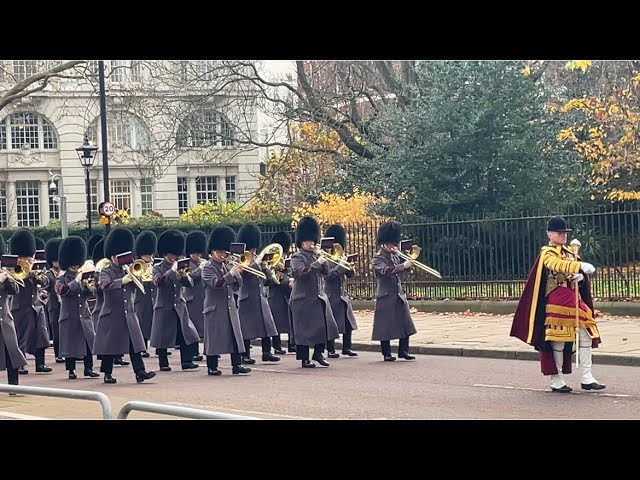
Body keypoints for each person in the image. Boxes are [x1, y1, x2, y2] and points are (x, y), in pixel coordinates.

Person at [510, 215, 604, 393]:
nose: (563, 236)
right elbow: (556, 264)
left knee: (587, 333)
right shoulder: (548, 253)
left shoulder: (570, 252)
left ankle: (587, 377)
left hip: (573, 299)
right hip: (556, 301)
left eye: (565, 233)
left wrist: (581, 277)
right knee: (558, 341)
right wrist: (578, 267)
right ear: (550, 234)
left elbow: (575, 274)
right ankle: (556, 378)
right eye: (559, 233)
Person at [94, 227, 156, 384]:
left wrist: (134, 276)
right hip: (112, 314)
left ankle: (140, 372)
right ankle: (107, 373)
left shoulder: (128, 270)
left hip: (128, 314)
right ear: (113, 257)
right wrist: (122, 281)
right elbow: (104, 286)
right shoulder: (105, 271)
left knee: (134, 345)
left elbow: (139, 288)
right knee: (110, 347)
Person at [290, 216, 340, 368]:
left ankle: (319, 353)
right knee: (304, 330)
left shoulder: (315, 255)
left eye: (312, 240)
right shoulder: (296, 257)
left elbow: (326, 273)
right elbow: (299, 273)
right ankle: (305, 358)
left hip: (318, 296)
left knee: (324, 327)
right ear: (301, 241)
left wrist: (323, 261)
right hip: (302, 298)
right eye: (308, 241)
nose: (311, 243)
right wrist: (317, 263)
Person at [201, 225, 251, 376]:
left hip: (229, 306)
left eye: (224, 252)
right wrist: (231, 273)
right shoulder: (207, 268)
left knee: (235, 336)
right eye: (220, 252)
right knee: (214, 339)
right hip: (214, 307)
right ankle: (212, 366)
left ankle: (237, 364)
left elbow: (237, 286)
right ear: (212, 252)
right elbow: (216, 284)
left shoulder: (225, 266)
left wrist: (237, 274)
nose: (223, 255)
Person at [150, 229, 200, 372]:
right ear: (165, 254)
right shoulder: (157, 267)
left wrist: (183, 275)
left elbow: (188, 284)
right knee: (163, 337)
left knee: (186, 334)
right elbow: (158, 282)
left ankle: (187, 361)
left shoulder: (181, 266)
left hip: (179, 304)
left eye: (175, 254)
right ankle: (164, 363)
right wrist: (172, 271)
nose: (174, 257)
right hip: (164, 305)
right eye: (172, 254)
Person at [371, 221, 417, 362]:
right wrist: (403, 265)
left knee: (405, 323)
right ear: (384, 243)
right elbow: (386, 271)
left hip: (398, 293)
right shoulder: (377, 258)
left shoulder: (396, 255)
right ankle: (386, 353)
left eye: (394, 244)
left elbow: (400, 272)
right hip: (385, 295)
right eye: (391, 244)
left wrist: (408, 266)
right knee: (385, 326)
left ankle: (403, 351)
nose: (393, 247)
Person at [55, 236, 99, 380]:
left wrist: (88, 286)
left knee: (87, 343)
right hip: (69, 315)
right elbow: (63, 291)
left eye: (77, 263)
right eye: (72, 264)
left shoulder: (84, 276)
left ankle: (89, 368)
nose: (75, 266)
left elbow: (92, 293)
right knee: (71, 345)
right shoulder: (61, 279)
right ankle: (71, 370)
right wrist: (76, 281)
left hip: (84, 314)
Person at [9, 228, 51, 374]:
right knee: (22, 336)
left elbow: (45, 281)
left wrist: (38, 275)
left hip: (37, 305)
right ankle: (21, 363)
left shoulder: (35, 265)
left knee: (41, 335)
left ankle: (41, 363)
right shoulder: (14, 266)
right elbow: (16, 280)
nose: (27, 259)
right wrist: (27, 273)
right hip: (20, 305)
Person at [236, 223, 280, 364]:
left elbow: (266, 280)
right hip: (247, 297)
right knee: (246, 328)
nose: (254, 250)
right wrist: (257, 262)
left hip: (260, 296)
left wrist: (266, 268)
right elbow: (242, 274)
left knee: (267, 325)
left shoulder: (256, 259)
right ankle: (245, 355)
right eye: (252, 248)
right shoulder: (241, 257)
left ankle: (266, 352)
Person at [324, 224, 358, 357]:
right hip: (331, 294)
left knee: (347, 322)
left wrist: (349, 267)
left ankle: (347, 347)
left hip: (342, 294)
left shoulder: (341, 256)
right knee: (331, 323)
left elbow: (351, 275)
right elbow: (328, 275)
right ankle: (330, 349)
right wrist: (340, 266)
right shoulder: (326, 257)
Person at [0, 235, 28, 391]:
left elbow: (15, 290)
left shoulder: (4, 273)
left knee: (12, 353)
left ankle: (14, 386)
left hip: (5, 319)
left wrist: (9, 278)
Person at [267, 231, 294, 355]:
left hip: (286, 293)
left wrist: (286, 271)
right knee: (276, 321)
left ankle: (291, 344)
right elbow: (268, 278)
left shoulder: (285, 258)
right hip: (275, 293)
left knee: (290, 319)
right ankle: (277, 346)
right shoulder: (271, 259)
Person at [183, 230, 208, 362]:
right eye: (195, 253)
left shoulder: (203, 262)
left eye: (199, 253)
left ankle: (208, 350)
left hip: (203, 297)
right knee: (192, 328)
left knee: (205, 327)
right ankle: (194, 352)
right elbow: (190, 277)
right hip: (192, 299)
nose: (198, 255)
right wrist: (201, 268)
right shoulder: (186, 264)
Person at [134, 230, 157, 358]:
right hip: (141, 297)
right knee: (142, 322)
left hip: (153, 296)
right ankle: (142, 347)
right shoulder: (136, 264)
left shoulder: (153, 264)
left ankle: (159, 347)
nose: (150, 256)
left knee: (155, 322)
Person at [42, 237, 64, 364]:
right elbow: (44, 287)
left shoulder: (64, 273)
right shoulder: (49, 274)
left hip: (65, 305)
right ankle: (58, 353)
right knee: (56, 330)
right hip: (53, 305)